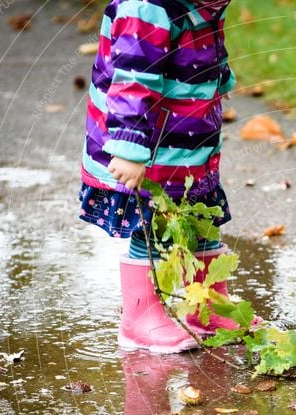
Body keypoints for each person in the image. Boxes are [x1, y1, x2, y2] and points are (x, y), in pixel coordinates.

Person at [78, 0, 241, 354]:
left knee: (199, 219)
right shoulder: (147, 7)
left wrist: (220, 76)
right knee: (153, 223)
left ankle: (208, 308)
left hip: (189, 144)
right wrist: (130, 148)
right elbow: (133, 79)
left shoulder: (206, 4)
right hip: (148, 148)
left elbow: (208, 43)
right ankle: (139, 319)